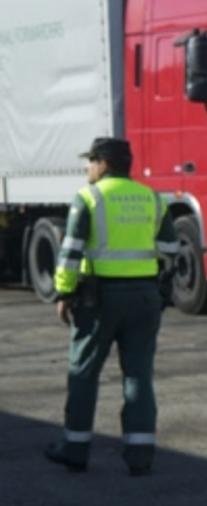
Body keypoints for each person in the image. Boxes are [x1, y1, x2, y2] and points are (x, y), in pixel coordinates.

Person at [44, 137, 178, 476]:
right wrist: (156, 288)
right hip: (145, 298)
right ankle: (140, 456)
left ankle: (75, 448)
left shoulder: (88, 198)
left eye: (90, 161)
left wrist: (64, 293)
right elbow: (171, 249)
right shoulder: (152, 198)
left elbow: (71, 252)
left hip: (99, 299)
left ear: (103, 163)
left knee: (84, 373)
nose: (88, 168)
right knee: (138, 374)